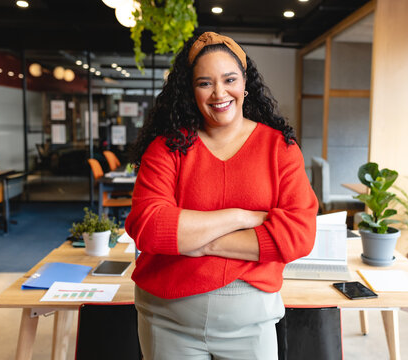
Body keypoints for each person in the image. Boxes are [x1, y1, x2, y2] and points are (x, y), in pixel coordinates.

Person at [125, 31, 318, 360]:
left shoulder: (279, 149)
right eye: (204, 83)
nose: (219, 93)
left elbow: (297, 235)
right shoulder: (167, 148)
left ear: (245, 83)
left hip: (251, 324)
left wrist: (200, 242)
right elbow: (149, 227)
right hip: (167, 322)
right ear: (191, 90)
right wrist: (241, 218)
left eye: (229, 79)